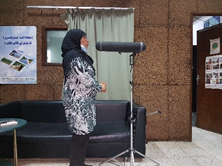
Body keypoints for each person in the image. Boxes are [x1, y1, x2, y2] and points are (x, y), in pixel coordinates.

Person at [61, 29, 107, 166]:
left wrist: (97, 85)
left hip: (84, 104)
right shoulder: (73, 56)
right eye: (85, 38)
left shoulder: (78, 55)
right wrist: (99, 86)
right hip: (78, 105)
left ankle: (79, 163)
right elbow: (83, 77)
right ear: (76, 40)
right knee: (80, 137)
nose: (88, 41)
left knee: (83, 136)